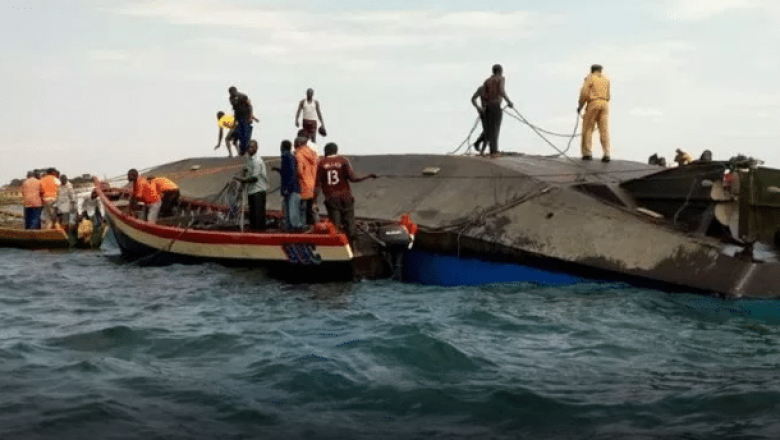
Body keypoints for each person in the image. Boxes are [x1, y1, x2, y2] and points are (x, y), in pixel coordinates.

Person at [315, 142, 377, 241]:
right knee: (350, 222)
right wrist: (368, 176)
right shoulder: (343, 161)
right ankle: (354, 246)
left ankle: (340, 246)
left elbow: (317, 183)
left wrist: (314, 200)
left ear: (326, 151)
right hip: (346, 197)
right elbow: (353, 178)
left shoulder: (321, 163)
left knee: (336, 225)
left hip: (332, 198)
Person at [477, 64, 514, 157]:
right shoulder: (500, 79)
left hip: (488, 107)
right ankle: (494, 151)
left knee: (490, 129)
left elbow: (483, 96)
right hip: (496, 105)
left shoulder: (487, 81)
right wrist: (509, 101)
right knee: (495, 129)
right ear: (500, 70)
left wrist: (483, 108)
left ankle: (491, 149)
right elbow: (501, 91)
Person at [578, 64, 611, 162]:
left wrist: (580, 106)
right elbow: (608, 96)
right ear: (600, 70)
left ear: (592, 70)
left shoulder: (590, 78)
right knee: (603, 130)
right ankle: (606, 153)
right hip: (604, 104)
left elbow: (584, 93)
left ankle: (587, 153)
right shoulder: (606, 80)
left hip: (593, 103)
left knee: (588, 128)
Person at [234, 140, 268, 230]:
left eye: (252, 147)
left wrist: (242, 180)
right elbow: (249, 169)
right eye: (248, 147)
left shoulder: (257, 161)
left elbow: (254, 178)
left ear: (256, 148)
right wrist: (244, 171)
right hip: (251, 190)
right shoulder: (249, 159)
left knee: (258, 214)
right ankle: (254, 230)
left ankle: (260, 232)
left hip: (258, 190)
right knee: (252, 213)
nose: (249, 149)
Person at [274, 140, 303, 230]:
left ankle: (295, 228)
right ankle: (290, 227)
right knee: (288, 210)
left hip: (291, 189)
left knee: (292, 211)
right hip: (290, 188)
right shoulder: (289, 157)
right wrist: (279, 170)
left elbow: (291, 173)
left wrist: (287, 188)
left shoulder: (287, 157)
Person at [294, 136, 319, 226]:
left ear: (299, 144)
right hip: (313, 185)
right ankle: (315, 227)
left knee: (303, 210)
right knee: (312, 208)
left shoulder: (299, 154)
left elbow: (300, 171)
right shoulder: (313, 154)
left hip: (303, 186)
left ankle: (305, 229)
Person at [228, 86, 258, 156]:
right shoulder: (231, 99)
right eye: (231, 93)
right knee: (241, 135)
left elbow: (250, 106)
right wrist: (235, 121)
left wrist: (250, 117)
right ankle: (242, 152)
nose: (232, 94)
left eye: (233, 92)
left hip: (246, 117)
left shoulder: (243, 96)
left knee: (246, 135)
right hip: (239, 118)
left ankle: (246, 152)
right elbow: (235, 110)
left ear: (236, 91)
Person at [470, 85, 488, 155]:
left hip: (494, 112)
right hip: (484, 112)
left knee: (489, 131)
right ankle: (482, 151)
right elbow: (473, 98)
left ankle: (478, 143)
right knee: (488, 131)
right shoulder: (482, 88)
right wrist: (478, 107)